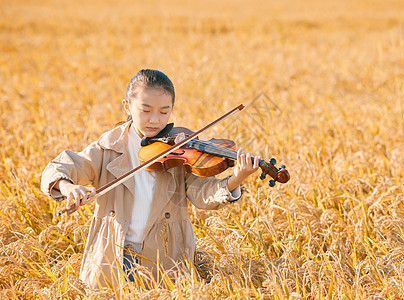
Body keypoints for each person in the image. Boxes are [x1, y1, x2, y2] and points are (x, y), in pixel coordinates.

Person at [40, 69, 260, 289]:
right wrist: (68, 187)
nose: (155, 120)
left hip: (165, 255)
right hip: (115, 252)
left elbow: (202, 195)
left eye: (164, 112)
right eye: (145, 110)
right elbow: (60, 166)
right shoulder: (107, 149)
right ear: (127, 106)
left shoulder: (178, 151)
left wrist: (236, 178)